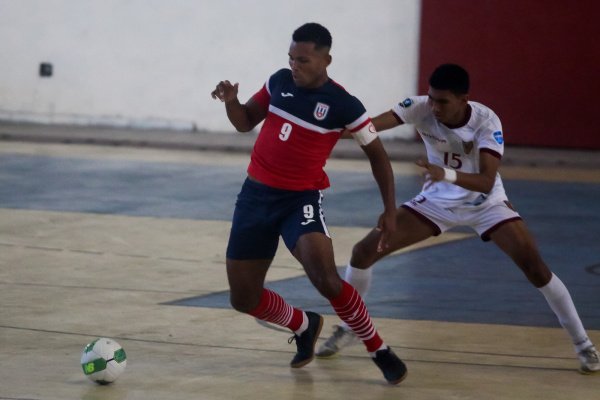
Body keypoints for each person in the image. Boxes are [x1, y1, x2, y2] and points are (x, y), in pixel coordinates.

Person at [315, 63, 600, 374]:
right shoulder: (419, 107)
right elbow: (366, 128)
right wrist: (322, 128)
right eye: (431, 98)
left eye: (443, 102)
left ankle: (584, 345)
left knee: (535, 267)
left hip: (485, 203)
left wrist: (445, 173)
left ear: (464, 98)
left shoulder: (485, 121)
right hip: (437, 202)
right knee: (363, 252)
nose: (434, 107)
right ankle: (351, 326)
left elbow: (487, 181)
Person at [210, 22, 407, 384]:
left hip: (299, 199)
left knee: (326, 278)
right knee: (243, 297)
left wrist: (389, 210)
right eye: (291, 58)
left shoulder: (344, 105)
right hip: (254, 198)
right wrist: (232, 102)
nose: (294, 66)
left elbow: (379, 156)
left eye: (303, 60)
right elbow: (244, 123)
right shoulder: (279, 82)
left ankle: (378, 348)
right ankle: (303, 324)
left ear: (326, 60)